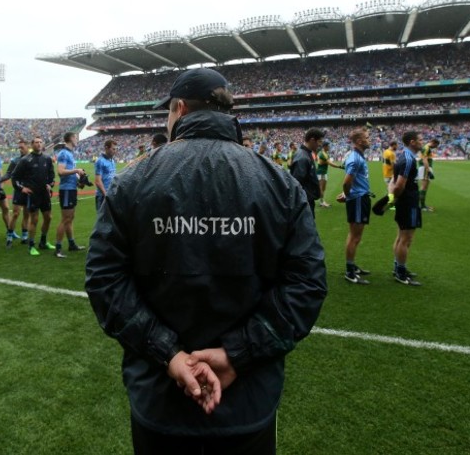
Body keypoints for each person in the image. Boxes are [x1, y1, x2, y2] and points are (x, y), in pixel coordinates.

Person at [85, 68, 327, 455]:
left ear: (178, 109)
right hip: (247, 401)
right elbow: (307, 284)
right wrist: (237, 354)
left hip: (161, 400)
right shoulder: (279, 184)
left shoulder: (133, 181)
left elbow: (104, 280)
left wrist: (170, 355)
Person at [337, 127, 372, 284]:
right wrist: (348, 195)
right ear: (359, 141)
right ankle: (350, 271)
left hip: (360, 198)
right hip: (357, 199)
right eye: (367, 137)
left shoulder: (357, 156)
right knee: (355, 236)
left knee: (356, 236)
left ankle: (352, 266)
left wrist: (347, 194)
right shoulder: (355, 158)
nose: (369, 140)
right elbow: (346, 182)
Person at [11, 136, 55, 256]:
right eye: (36, 142)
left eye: (41, 142)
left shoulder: (47, 159)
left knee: (48, 218)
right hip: (33, 194)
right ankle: (31, 245)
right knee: (34, 219)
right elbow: (15, 177)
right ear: (32, 145)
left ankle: (43, 241)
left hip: (44, 194)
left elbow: (52, 176)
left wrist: (50, 185)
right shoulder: (25, 160)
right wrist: (22, 188)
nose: (39, 144)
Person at [390, 131, 423, 286]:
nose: (422, 142)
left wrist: (393, 199)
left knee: (400, 236)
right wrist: (394, 198)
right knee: (406, 238)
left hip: (405, 202)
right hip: (408, 202)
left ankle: (398, 267)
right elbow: (399, 184)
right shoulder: (408, 159)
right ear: (412, 142)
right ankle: (401, 273)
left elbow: (393, 181)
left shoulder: (403, 156)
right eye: (420, 139)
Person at [54, 132, 87, 257]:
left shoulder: (70, 154)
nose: (77, 139)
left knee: (70, 218)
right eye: (75, 137)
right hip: (66, 189)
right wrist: (77, 170)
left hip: (71, 188)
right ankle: (58, 248)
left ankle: (71, 244)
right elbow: (61, 171)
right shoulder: (64, 153)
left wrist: (79, 181)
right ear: (70, 139)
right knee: (65, 219)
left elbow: (69, 173)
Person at [0, 140, 29, 246]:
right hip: (19, 189)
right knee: (15, 213)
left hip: (29, 190)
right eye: (19, 148)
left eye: (22, 147)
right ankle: (9, 236)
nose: (20, 149)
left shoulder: (33, 159)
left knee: (27, 214)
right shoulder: (15, 160)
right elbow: (8, 175)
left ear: (28, 147)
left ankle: (25, 237)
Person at [290, 128, 323, 218]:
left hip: (307, 201)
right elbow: (297, 183)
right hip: (304, 203)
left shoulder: (306, 153)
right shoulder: (302, 157)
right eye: (319, 141)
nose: (320, 145)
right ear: (312, 140)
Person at [316, 139, 342, 208]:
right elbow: (330, 163)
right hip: (321, 173)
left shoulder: (322, 153)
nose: (329, 147)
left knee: (323, 188)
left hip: (323, 172)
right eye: (328, 146)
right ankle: (322, 203)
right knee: (321, 188)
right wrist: (339, 166)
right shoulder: (323, 154)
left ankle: (322, 201)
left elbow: (322, 162)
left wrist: (324, 162)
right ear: (324, 146)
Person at [94, 139, 117, 210]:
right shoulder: (100, 161)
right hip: (103, 196)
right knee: (102, 219)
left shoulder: (112, 161)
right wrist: (106, 195)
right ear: (106, 148)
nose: (115, 151)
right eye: (113, 149)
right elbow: (98, 181)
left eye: (115, 149)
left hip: (111, 194)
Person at [418, 138, 440, 212]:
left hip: (425, 168)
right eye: (436, 145)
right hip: (425, 168)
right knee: (423, 187)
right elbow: (424, 159)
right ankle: (421, 206)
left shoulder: (427, 148)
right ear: (433, 142)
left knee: (424, 187)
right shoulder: (426, 148)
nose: (436, 147)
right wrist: (428, 171)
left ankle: (422, 205)